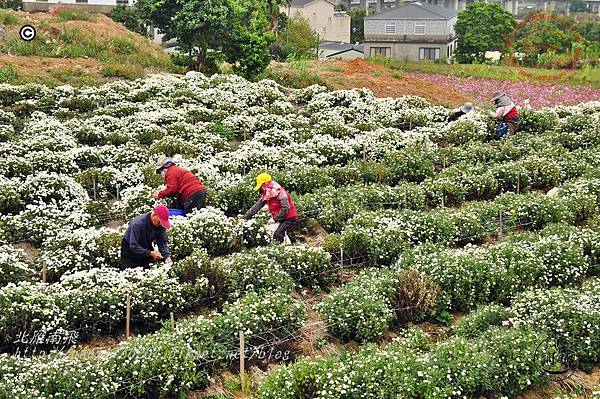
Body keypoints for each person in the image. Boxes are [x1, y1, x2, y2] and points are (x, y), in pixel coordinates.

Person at [244, 172, 299, 243]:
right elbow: (257, 206)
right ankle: (295, 243)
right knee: (277, 233)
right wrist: (245, 217)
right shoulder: (267, 194)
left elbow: (286, 208)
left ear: (265, 184)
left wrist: (275, 218)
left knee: (278, 234)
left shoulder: (280, 192)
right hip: (281, 217)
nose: (261, 188)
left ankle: (280, 250)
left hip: (289, 218)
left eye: (261, 186)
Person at [121, 204, 172, 269]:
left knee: (149, 269)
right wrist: (150, 253)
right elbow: (133, 246)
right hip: (130, 250)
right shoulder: (138, 224)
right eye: (159, 222)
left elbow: (162, 243)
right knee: (130, 273)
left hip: (145, 246)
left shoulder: (160, 225)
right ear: (154, 215)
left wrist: (167, 257)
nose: (160, 225)